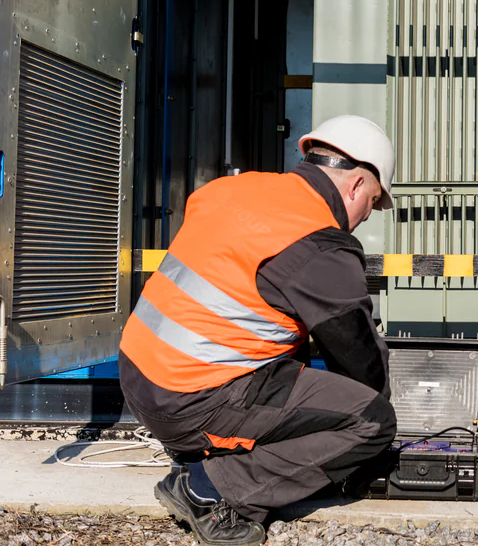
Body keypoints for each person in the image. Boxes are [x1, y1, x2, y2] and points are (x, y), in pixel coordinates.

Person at [118, 115, 398, 545]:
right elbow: (360, 363)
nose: (365, 218)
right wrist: (369, 447)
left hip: (139, 376)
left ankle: (206, 455)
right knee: (371, 421)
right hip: (190, 401)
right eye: (372, 203)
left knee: (293, 351)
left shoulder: (234, 189)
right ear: (357, 185)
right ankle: (208, 492)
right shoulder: (319, 241)